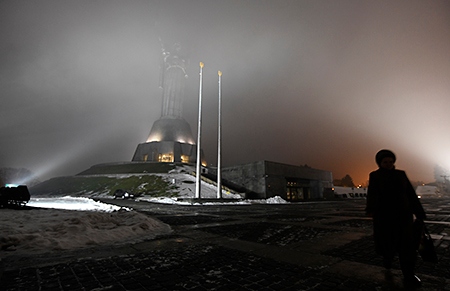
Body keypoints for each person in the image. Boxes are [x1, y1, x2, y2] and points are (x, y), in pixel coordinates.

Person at [365, 149, 426, 288]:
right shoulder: (375, 176)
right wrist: (370, 209)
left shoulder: (401, 174)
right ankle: (388, 259)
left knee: (407, 247)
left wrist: (419, 212)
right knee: (388, 243)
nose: (388, 164)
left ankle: (409, 274)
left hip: (404, 216)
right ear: (380, 163)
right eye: (385, 162)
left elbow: (410, 194)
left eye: (391, 162)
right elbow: (372, 194)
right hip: (384, 217)